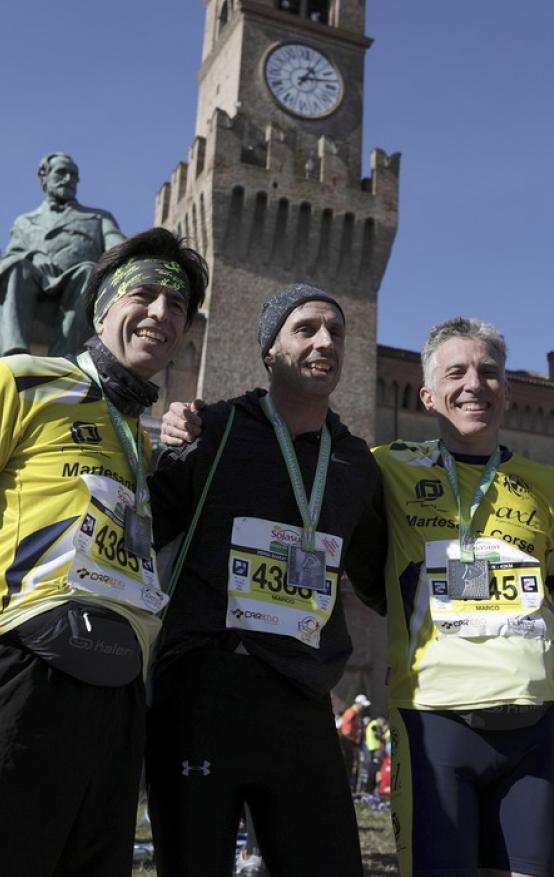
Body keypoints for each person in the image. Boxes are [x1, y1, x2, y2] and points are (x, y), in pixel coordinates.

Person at [0, 228, 208, 876]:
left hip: (114, 699)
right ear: (101, 310)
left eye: (178, 306)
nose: (161, 312)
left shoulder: (137, 441)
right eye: (145, 294)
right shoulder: (22, 380)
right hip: (12, 670)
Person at [147, 283, 387, 877]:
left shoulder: (355, 463)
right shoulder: (214, 429)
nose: (326, 341)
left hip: (302, 696)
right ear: (269, 352)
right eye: (306, 329)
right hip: (203, 685)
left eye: (336, 331)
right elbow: (146, 529)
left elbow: (380, 582)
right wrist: (165, 442)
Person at [374, 317, 554, 877]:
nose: (475, 383)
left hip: (532, 726)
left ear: (507, 392)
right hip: (433, 719)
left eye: (489, 372)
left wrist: (547, 681)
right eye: (456, 372)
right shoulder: (386, 468)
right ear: (427, 395)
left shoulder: (550, 489)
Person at [0, 152, 125, 356]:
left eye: (73, 175)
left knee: (88, 270)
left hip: (77, 289)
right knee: (15, 268)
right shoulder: (25, 221)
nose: (68, 179)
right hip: (34, 286)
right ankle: (14, 354)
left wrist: (144, 253)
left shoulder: (98, 218)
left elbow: (118, 247)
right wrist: (33, 256)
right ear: (44, 177)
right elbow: (11, 255)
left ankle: (61, 357)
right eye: (61, 173)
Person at [338, 692, 371, 791]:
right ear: (358, 704)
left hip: (351, 743)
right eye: (363, 706)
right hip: (347, 743)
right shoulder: (351, 713)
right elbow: (346, 731)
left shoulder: (355, 714)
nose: (364, 708)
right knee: (348, 765)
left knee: (351, 765)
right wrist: (352, 743)